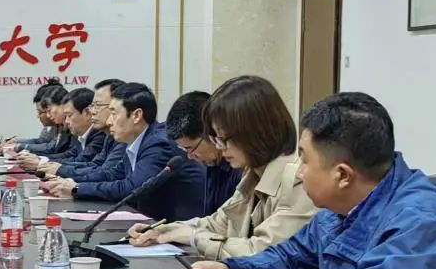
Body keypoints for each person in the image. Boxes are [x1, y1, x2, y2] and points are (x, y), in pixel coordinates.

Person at [185, 92, 436, 269]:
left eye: (305, 160)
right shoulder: (339, 208)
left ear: (343, 175)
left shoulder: (418, 218)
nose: (300, 173)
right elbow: (292, 257)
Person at [129, 78, 315, 258]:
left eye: (223, 139)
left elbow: (263, 252)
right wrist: (164, 231)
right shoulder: (252, 174)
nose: (219, 147)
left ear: (255, 132)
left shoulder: (299, 180)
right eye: (215, 138)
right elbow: (219, 223)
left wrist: (194, 237)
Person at [45, 82, 206, 222]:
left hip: (178, 229)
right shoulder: (137, 141)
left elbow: (131, 187)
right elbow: (112, 174)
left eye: (114, 113)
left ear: (136, 115)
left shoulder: (158, 143)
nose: (109, 121)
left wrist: (77, 189)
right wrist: (72, 184)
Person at [33, 78, 125, 179]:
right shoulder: (109, 136)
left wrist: (60, 171)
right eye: (93, 106)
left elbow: (105, 173)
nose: (92, 111)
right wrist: (51, 166)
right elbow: (95, 164)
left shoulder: (111, 136)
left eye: (98, 105)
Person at [23, 88, 97, 175]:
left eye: (69, 115)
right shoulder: (73, 129)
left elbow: (87, 164)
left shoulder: (99, 134)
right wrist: (41, 160)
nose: (67, 121)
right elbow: (71, 154)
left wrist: (42, 163)